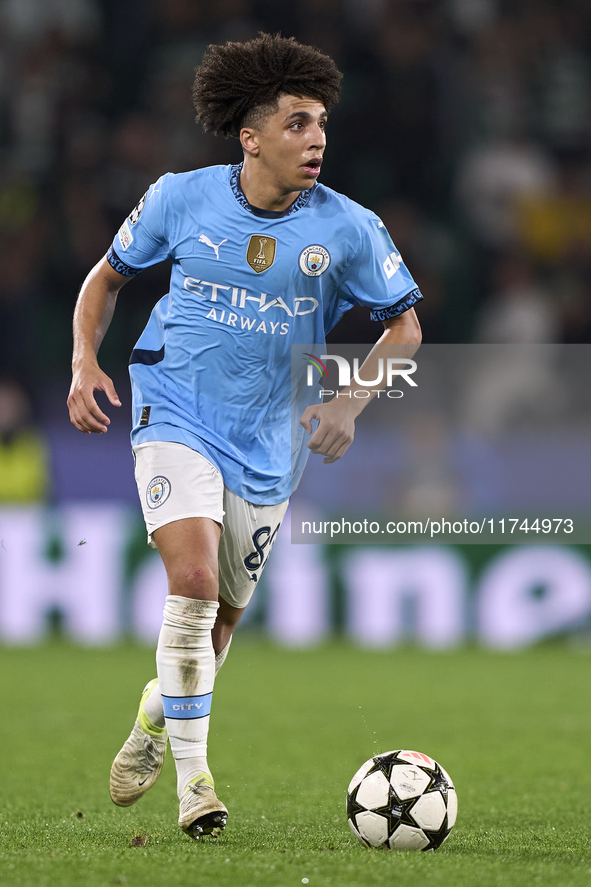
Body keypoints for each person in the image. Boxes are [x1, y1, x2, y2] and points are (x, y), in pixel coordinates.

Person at [67, 33, 422, 841]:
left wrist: (347, 403)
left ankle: (156, 718)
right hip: (174, 409)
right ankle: (196, 785)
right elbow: (106, 277)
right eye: (297, 123)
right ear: (251, 136)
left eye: (322, 122)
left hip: (269, 439)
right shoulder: (179, 198)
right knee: (189, 582)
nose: (317, 138)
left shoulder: (349, 227)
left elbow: (404, 330)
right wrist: (85, 358)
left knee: (219, 623)